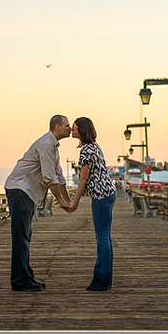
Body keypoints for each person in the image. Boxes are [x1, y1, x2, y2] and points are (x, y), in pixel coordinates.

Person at [3, 115, 72, 291]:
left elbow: (59, 176)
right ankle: (20, 281)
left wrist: (68, 200)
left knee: (25, 236)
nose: (69, 129)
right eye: (66, 126)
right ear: (57, 127)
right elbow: (49, 177)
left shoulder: (53, 146)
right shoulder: (46, 144)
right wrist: (61, 203)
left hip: (26, 192)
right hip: (20, 190)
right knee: (21, 237)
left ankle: (26, 277)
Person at [68, 117, 117, 291]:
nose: (71, 132)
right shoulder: (95, 146)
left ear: (82, 130)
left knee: (102, 237)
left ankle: (101, 281)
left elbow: (83, 178)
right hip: (108, 192)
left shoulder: (86, 150)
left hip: (100, 195)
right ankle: (106, 279)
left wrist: (75, 201)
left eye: (74, 129)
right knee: (106, 237)